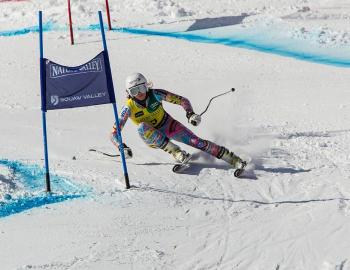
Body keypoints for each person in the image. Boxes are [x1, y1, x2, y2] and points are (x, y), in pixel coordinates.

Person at [110, 72, 246, 169]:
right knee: (142, 126)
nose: (139, 93)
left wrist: (190, 114)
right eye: (134, 91)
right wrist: (122, 147)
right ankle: (177, 153)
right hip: (151, 136)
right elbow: (114, 133)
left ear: (146, 86)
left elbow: (182, 100)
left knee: (196, 142)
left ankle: (234, 159)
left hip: (169, 125)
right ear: (129, 93)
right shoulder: (128, 107)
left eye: (141, 88)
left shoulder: (156, 94)